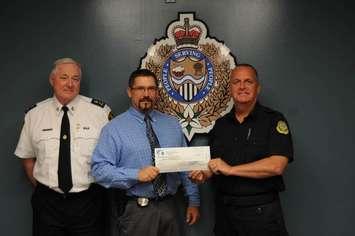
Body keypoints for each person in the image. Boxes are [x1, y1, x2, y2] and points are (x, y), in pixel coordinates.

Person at [91, 68, 200, 236]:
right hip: (136, 211)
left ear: (157, 92)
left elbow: (186, 166)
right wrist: (136, 174)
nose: (146, 94)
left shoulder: (172, 125)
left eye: (151, 89)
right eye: (140, 89)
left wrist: (193, 200)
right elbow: (99, 170)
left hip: (170, 207)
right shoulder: (113, 129)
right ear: (130, 92)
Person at [190, 64, 293, 236]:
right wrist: (204, 173)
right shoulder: (221, 125)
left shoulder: (273, 120)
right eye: (236, 82)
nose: (242, 86)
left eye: (248, 82)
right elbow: (215, 164)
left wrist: (231, 170)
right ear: (230, 88)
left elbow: (277, 165)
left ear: (257, 88)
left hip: (261, 213)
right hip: (225, 213)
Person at [14, 58, 112, 236]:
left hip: (89, 202)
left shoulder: (100, 113)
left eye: (75, 79)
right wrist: (46, 189)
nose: (70, 84)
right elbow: (27, 158)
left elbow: (111, 157)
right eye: (64, 77)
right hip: (48, 204)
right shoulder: (34, 115)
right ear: (52, 80)